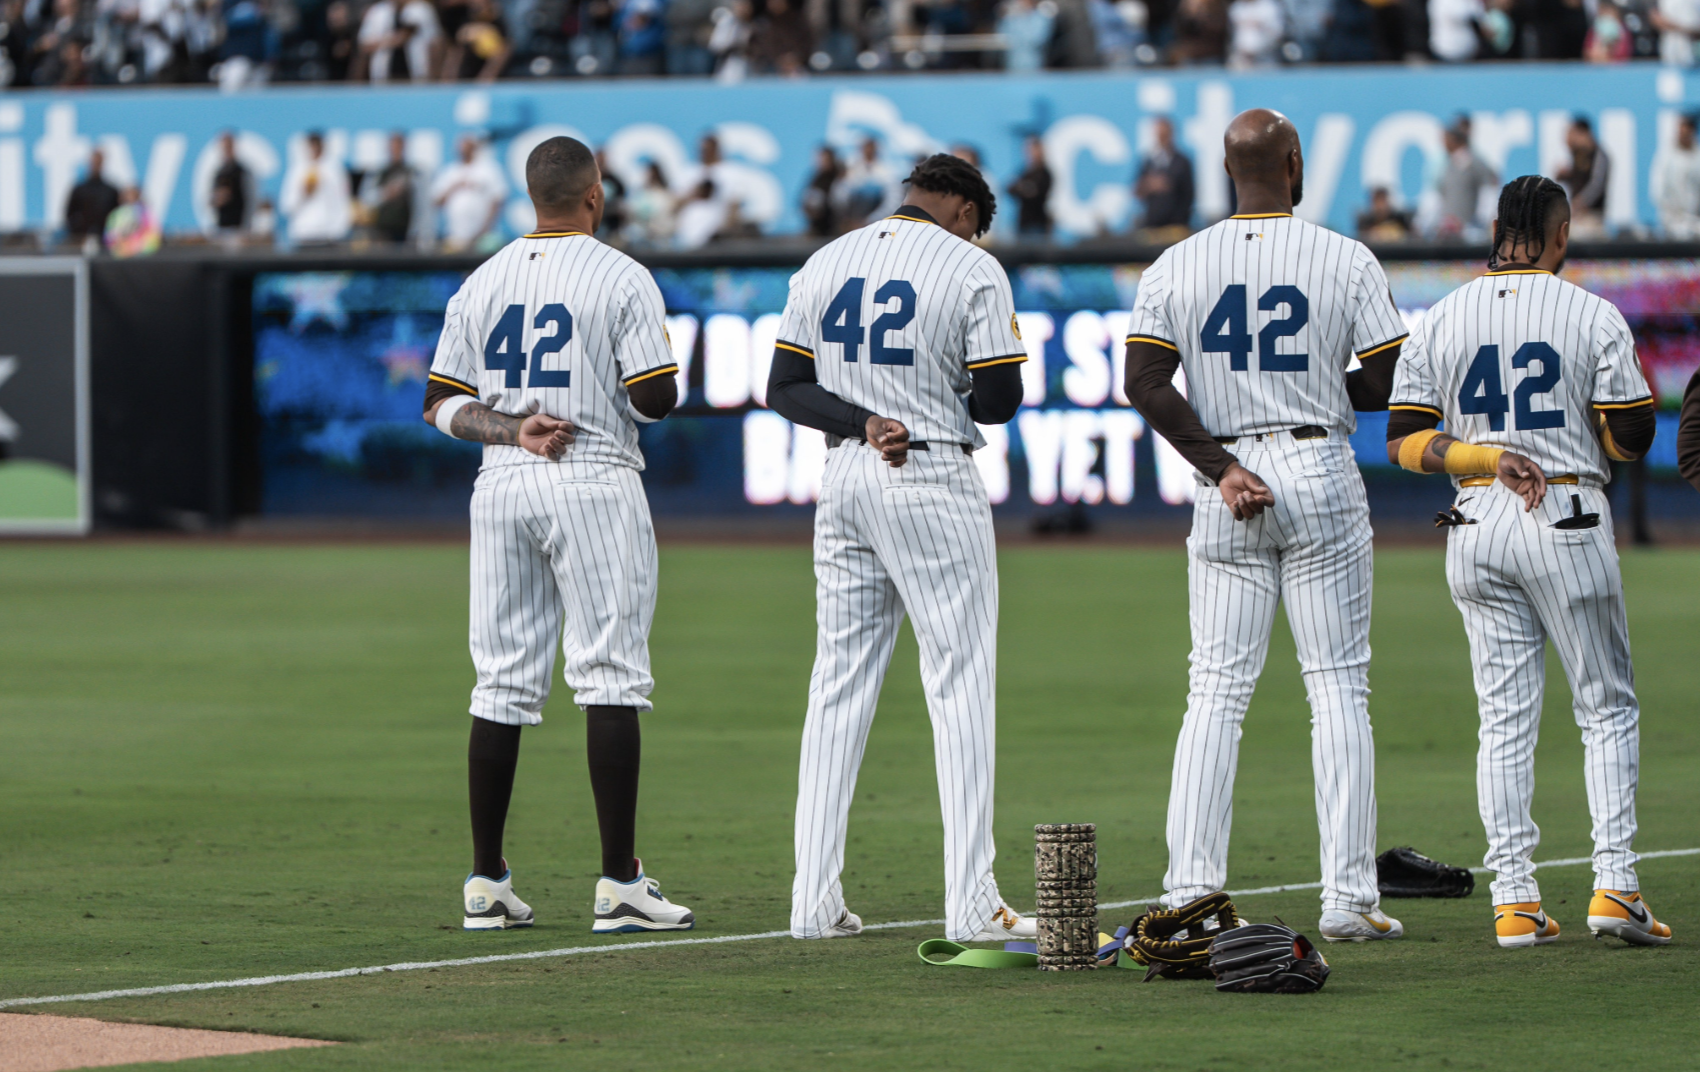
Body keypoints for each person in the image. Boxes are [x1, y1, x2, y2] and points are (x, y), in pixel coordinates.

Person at [1122, 108, 1410, 943]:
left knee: (1214, 692)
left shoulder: (1178, 261)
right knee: (1337, 688)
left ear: (1222, 166)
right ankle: (1349, 900)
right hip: (1317, 466)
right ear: (1293, 163)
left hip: (1228, 478)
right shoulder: (1343, 256)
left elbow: (1144, 380)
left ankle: (1189, 893)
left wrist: (1221, 467)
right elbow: (1390, 376)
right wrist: (1318, 388)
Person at [1385, 175, 1669, 949]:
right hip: (1566, 512)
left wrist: (1481, 451)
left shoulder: (1441, 316)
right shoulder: (1591, 312)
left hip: (1473, 515)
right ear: (1561, 232)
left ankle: (1514, 901)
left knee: (1503, 720)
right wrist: (1598, 433)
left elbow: (1404, 443)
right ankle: (1616, 888)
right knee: (1605, 706)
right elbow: (1633, 438)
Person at [421, 135, 694, 935]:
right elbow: (654, 399)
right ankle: (618, 882)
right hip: (593, 474)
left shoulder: (484, 277)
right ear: (595, 194)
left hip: (503, 479)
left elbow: (439, 404)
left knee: (499, 681)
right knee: (609, 675)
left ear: (530, 195)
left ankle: (486, 879)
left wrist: (510, 428)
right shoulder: (620, 274)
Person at [769, 154, 1034, 944]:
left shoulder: (828, 259)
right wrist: (930, 390)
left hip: (846, 475)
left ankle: (812, 903)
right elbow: (1000, 400)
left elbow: (784, 390)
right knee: (959, 682)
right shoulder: (970, 265)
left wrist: (859, 420)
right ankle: (974, 902)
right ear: (960, 208)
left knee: (838, 685)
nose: (972, 232)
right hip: (928, 474)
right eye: (973, 220)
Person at [431, 134, 508, 252]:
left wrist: (485, 228)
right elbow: (437, 200)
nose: (463, 150)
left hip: (485, 236)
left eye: (467, 147)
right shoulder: (450, 171)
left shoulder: (488, 169)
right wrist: (454, 187)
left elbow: (498, 199)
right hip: (455, 236)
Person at [280, 131, 353, 245]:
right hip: (304, 233)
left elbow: (343, 201)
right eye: (311, 146)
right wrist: (304, 193)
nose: (314, 150)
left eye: (317, 146)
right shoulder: (297, 171)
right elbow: (286, 206)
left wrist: (340, 229)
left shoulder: (335, 170)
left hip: (330, 234)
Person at [1432, 120, 1497, 239]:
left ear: (1457, 141)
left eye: (1447, 139)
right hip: (1449, 229)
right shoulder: (1448, 164)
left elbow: (1490, 186)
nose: (1444, 143)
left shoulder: (1474, 162)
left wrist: (1481, 220)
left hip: (1469, 230)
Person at [1133, 116, 1194, 236]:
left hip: (1176, 227)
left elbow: (1189, 193)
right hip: (1152, 226)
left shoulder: (1182, 162)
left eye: (1164, 133)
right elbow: (1136, 191)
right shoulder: (1148, 161)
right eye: (1159, 133)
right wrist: (1149, 185)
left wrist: (1169, 184)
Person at [356, 0, 440, 81]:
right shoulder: (377, 11)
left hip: (419, 76)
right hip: (383, 77)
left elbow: (436, 43)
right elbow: (364, 45)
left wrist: (434, 76)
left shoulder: (422, 9)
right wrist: (395, 40)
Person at [1557, 117, 1610, 237]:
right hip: (1577, 217)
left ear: (1583, 133)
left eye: (1572, 133)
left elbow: (1597, 184)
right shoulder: (1578, 155)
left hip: (1592, 217)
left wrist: (1581, 202)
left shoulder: (1599, 155)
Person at [1652, 113, 1700, 238]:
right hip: (1672, 221)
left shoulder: (1697, 156)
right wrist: (1670, 214)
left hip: (1696, 220)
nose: (1682, 135)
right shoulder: (1666, 156)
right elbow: (1658, 188)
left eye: (1686, 132)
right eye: (1680, 131)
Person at [368, 131, 419, 245]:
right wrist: (385, 193)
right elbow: (366, 199)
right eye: (393, 146)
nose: (395, 150)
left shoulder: (412, 173)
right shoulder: (378, 172)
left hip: (405, 231)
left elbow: (420, 204)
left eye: (399, 146)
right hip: (381, 231)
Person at [64, 148, 121, 250]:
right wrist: (78, 234)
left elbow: (117, 215)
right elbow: (69, 214)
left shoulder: (110, 190)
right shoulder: (79, 189)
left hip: (106, 241)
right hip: (81, 239)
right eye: (93, 162)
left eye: (98, 162)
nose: (95, 165)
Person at [1007, 134, 1053, 237]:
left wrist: (1023, 188)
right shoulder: (1025, 172)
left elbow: (1037, 193)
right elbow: (1010, 188)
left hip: (1038, 222)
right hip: (1023, 222)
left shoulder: (1044, 173)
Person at [209, 131, 252, 238]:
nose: (225, 149)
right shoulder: (219, 172)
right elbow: (213, 199)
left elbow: (249, 198)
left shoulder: (241, 171)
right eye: (224, 146)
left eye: (228, 146)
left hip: (238, 226)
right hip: (221, 226)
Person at [626, 161, 676, 244]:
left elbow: (665, 215)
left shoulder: (665, 194)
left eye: (653, 174)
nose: (650, 177)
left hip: (660, 236)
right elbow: (632, 210)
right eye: (649, 174)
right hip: (641, 233)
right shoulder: (640, 192)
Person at [104, 185, 160, 257]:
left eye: (131, 194)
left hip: (143, 256)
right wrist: (119, 243)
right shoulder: (115, 214)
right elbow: (109, 236)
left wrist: (137, 246)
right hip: (120, 255)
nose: (128, 197)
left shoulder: (145, 213)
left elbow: (154, 234)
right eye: (126, 194)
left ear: (137, 195)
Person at [999, 0, 1055, 70]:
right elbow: (1003, 37)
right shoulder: (1010, 18)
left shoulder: (1040, 17)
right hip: (1012, 62)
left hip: (1034, 62)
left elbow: (1037, 39)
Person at [801, 145, 843, 237]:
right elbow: (804, 200)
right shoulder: (816, 178)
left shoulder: (839, 177)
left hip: (834, 227)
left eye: (826, 159)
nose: (824, 162)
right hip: (817, 227)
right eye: (822, 159)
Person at [1226, 0, 1283, 65]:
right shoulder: (1237, 6)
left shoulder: (1269, 6)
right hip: (1241, 55)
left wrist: (1260, 25)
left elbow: (1277, 32)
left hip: (1265, 56)